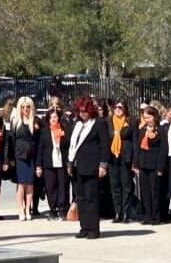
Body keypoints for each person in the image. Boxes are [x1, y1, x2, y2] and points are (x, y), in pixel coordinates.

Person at [68, 98, 110, 239]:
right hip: (78, 166)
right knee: (81, 198)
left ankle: (93, 229)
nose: (82, 114)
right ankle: (84, 227)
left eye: (85, 111)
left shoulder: (99, 124)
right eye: (80, 111)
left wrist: (103, 165)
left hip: (92, 166)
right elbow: (73, 146)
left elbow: (105, 145)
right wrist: (69, 163)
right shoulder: (77, 124)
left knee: (92, 198)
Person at [36, 106, 70, 219]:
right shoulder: (45, 131)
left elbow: (68, 145)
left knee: (63, 186)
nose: (53, 119)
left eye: (55, 117)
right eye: (51, 117)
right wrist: (38, 166)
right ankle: (53, 209)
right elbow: (40, 148)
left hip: (62, 162)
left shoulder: (64, 129)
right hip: (48, 163)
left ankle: (63, 209)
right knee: (50, 187)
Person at [7, 96, 38, 221]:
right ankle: (20, 209)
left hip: (31, 155)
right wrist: (10, 158)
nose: (25, 109)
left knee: (30, 184)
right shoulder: (15, 121)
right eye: (23, 107)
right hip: (19, 155)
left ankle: (27, 209)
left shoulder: (35, 121)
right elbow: (11, 140)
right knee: (21, 184)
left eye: (28, 106)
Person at [133, 105, 165, 224]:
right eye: (145, 118)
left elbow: (163, 149)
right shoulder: (142, 130)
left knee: (154, 191)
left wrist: (160, 167)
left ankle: (156, 216)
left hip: (154, 164)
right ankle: (147, 215)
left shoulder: (160, 130)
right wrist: (135, 164)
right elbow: (137, 147)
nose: (147, 120)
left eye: (149, 117)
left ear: (154, 117)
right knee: (145, 191)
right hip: (143, 164)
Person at [107, 100, 136, 222]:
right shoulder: (108, 121)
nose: (118, 109)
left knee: (126, 186)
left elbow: (135, 141)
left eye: (120, 107)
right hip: (112, 157)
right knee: (115, 186)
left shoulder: (131, 121)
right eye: (115, 107)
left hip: (126, 157)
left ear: (125, 109)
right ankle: (117, 212)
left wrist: (135, 161)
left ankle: (126, 213)